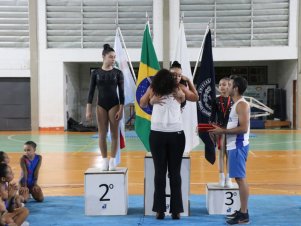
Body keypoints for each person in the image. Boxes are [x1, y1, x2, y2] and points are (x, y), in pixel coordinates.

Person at [140, 69, 186, 220]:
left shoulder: (177, 88)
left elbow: (191, 98)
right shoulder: (153, 88)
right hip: (159, 132)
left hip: (174, 132)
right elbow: (142, 102)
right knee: (163, 173)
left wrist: (183, 97)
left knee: (172, 173)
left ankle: (173, 210)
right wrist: (151, 102)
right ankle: (164, 210)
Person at [209, 75, 250, 225]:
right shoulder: (235, 104)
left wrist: (223, 132)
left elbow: (244, 128)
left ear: (236, 88)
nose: (228, 86)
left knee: (240, 179)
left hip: (238, 145)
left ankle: (244, 214)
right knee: (239, 179)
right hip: (234, 145)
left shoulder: (241, 105)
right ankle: (242, 211)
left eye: (230, 84)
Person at [86, 44, 124, 171]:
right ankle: (104, 160)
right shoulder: (96, 73)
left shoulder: (118, 73)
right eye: (110, 57)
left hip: (114, 104)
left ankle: (112, 160)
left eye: (114, 57)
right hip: (101, 105)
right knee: (102, 134)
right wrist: (88, 109)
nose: (113, 59)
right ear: (103, 57)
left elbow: (122, 92)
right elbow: (91, 92)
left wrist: (121, 108)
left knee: (114, 134)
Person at [210, 77, 234, 187]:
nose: (221, 87)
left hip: (230, 130)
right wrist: (212, 129)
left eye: (224, 85)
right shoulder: (216, 100)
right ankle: (221, 177)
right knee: (220, 154)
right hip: (219, 129)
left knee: (229, 155)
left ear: (229, 86)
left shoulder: (234, 100)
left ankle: (229, 178)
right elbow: (212, 116)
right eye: (220, 85)